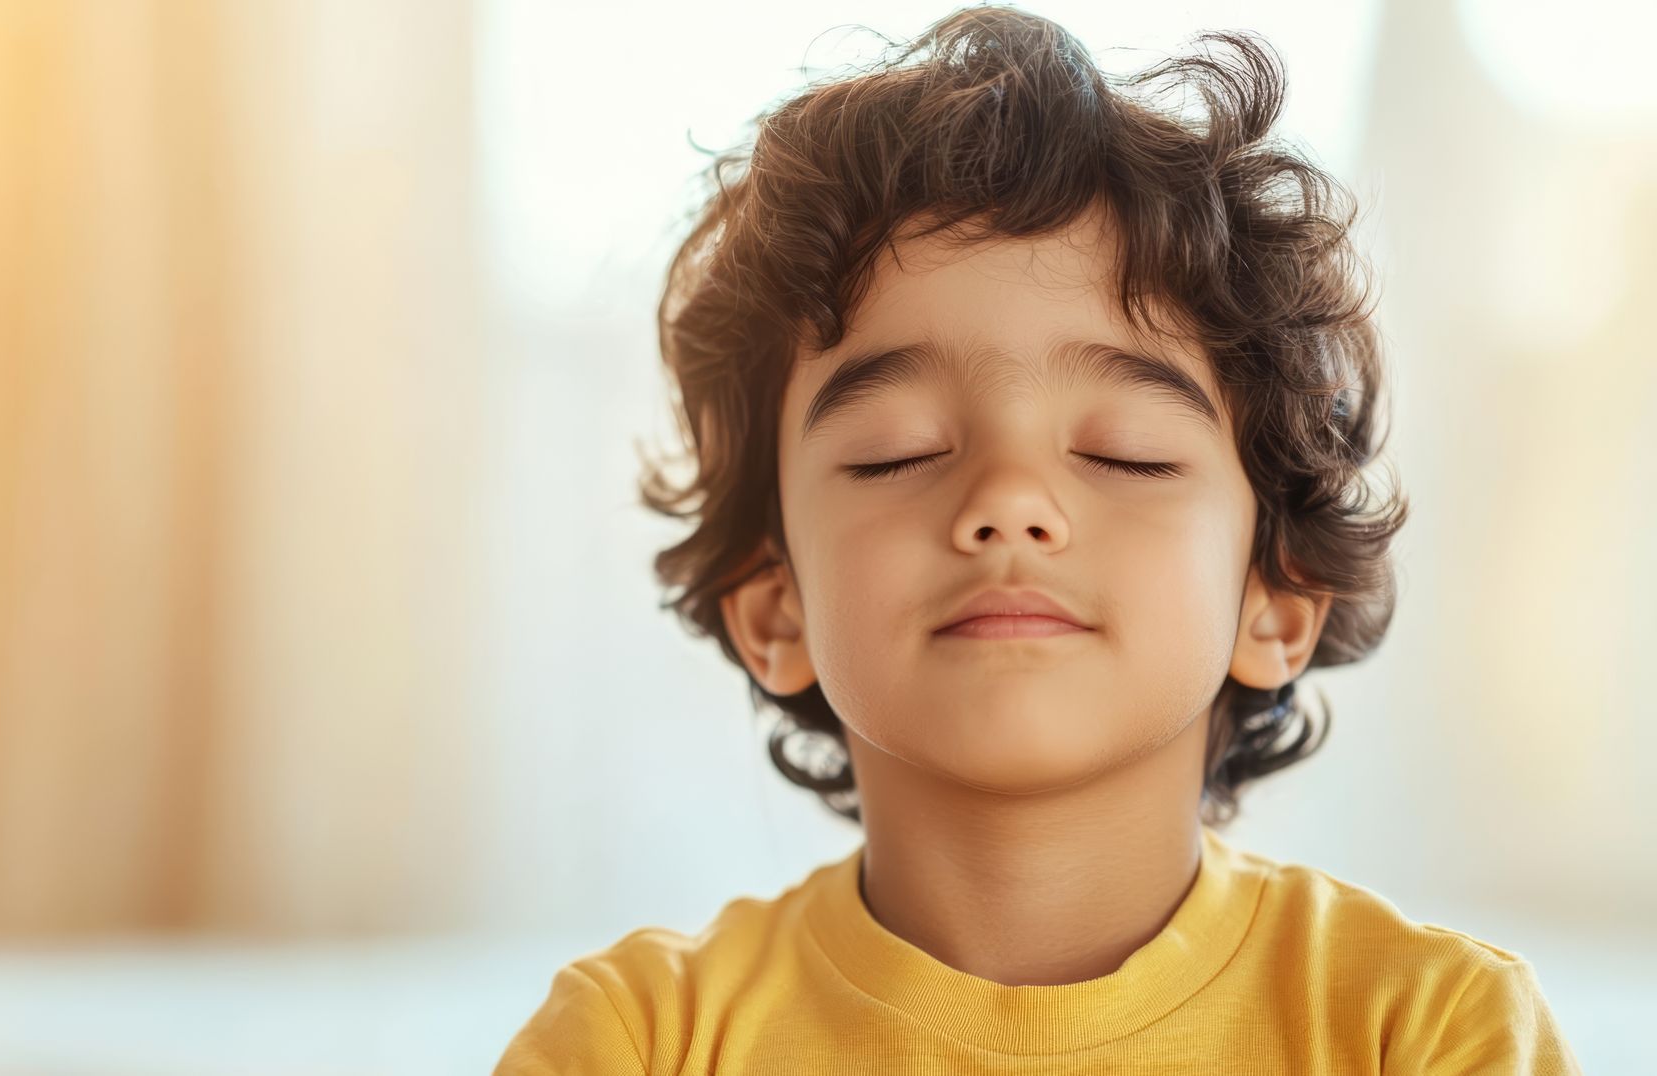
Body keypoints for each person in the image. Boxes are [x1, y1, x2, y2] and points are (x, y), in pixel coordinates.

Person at [496, 5, 1581, 1072]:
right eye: (895, 450)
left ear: (1276, 599)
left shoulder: (1431, 1030)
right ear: (773, 603)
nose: (1010, 499)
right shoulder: (635, 1039)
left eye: (1126, 453)